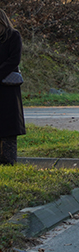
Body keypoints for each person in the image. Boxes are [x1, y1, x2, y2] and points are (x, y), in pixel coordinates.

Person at [0, 9, 25, 165]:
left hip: (7, 86)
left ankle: (9, 161)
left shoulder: (13, 36)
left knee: (8, 127)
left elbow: (14, 60)